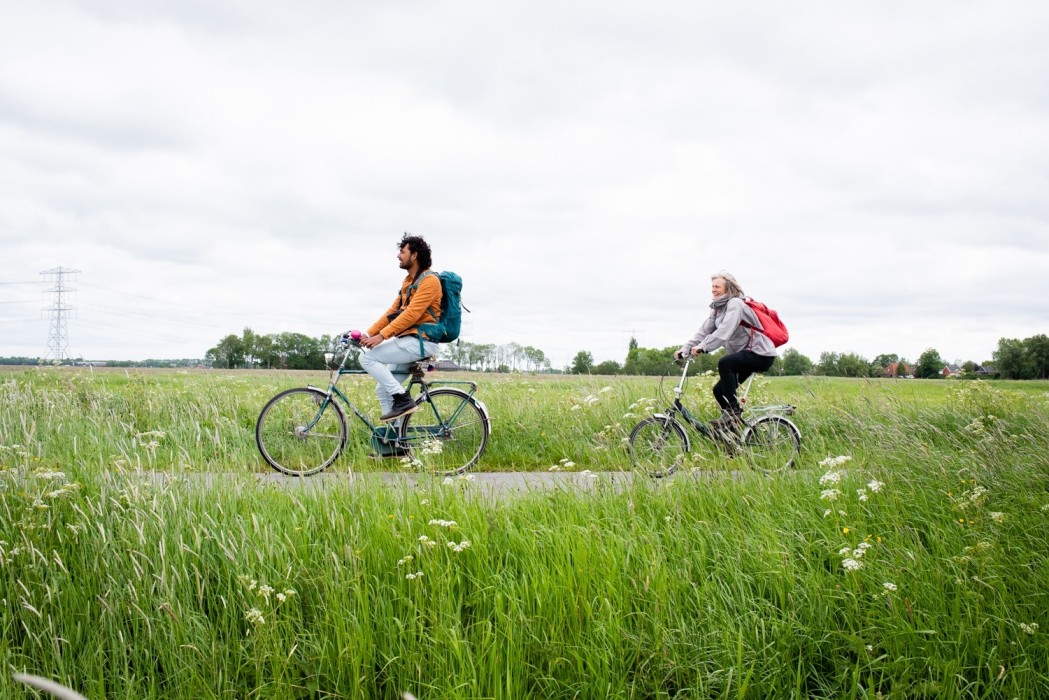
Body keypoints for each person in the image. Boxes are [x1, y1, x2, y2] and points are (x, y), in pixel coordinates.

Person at [673, 271, 777, 430]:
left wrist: (704, 347)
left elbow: (725, 331)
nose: (713, 289)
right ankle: (731, 433)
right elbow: (703, 332)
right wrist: (685, 349)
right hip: (745, 356)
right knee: (719, 391)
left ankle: (734, 411)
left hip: (760, 353)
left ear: (728, 289)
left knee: (725, 363)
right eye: (712, 286)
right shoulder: (716, 310)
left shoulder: (735, 304)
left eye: (717, 286)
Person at [356, 233, 442, 423]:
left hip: (421, 342)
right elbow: (392, 311)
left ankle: (403, 399)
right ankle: (396, 442)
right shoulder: (408, 282)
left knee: (366, 357)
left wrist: (382, 336)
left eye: (402, 251)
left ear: (415, 255)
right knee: (384, 388)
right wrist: (369, 333)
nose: (398, 255)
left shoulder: (430, 281)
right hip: (407, 341)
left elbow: (411, 313)